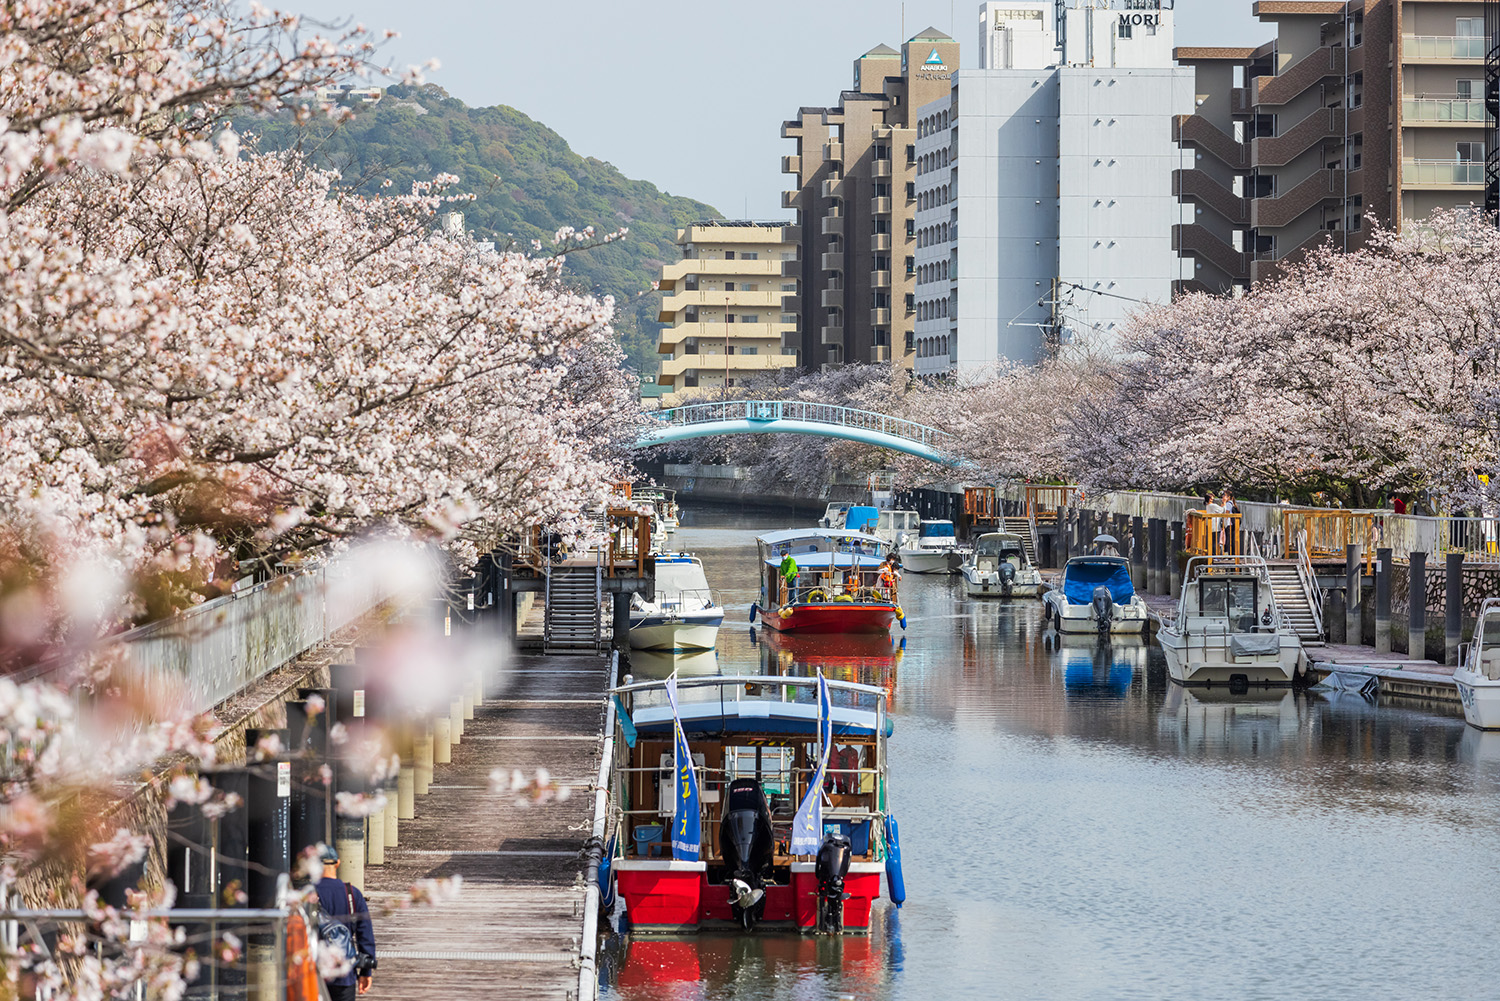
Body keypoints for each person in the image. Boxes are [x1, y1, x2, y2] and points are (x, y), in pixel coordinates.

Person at [315, 846, 376, 999]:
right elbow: (365, 935)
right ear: (337, 863)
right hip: (344, 972)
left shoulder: (308, 893)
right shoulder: (352, 893)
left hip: (313, 971)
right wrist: (365, 972)